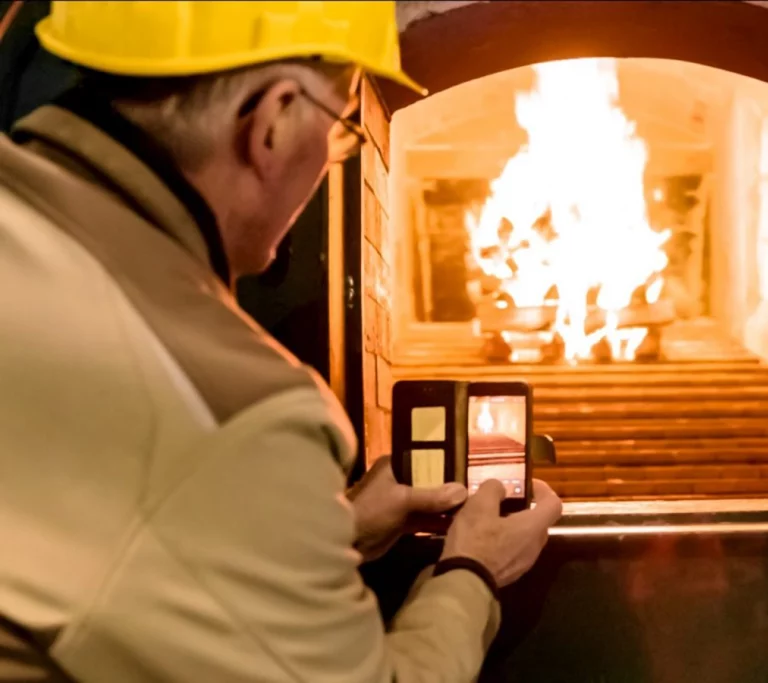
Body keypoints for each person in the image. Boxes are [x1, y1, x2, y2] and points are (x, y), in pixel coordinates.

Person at [0, 2, 562, 682]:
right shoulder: (233, 409)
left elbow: (119, 537)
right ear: (274, 122)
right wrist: (474, 567)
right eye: (345, 128)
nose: (335, 157)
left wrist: (332, 528)